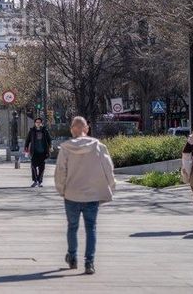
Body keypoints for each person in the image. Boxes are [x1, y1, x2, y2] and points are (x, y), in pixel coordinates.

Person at [54, 116, 115, 275]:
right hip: (92, 195)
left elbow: (60, 171)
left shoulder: (66, 149)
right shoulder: (98, 146)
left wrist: (61, 189)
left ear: (71, 130)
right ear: (86, 129)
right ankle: (89, 263)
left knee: (72, 227)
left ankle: (72, 257)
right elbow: (108, 168)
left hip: (72, 194)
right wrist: (111, 186)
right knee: (91, 228)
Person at [25, 116, 52, 187]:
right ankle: (35, 180)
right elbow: (27, 140)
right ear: (35, 123)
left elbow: (49, 140)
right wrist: (26, 148)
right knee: (33, 166)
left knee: (42, 168)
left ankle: (39, 181)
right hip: (34, 152)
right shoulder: (32, 131)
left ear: (41, 123)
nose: (38, 124)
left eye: (39, 122)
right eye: (37, 122)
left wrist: (50, 147)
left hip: (43, 152)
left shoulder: (45, 131)